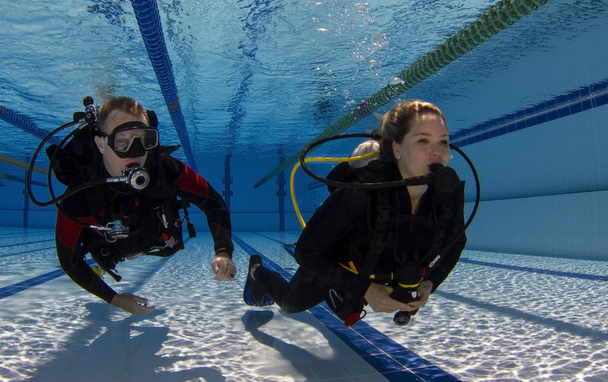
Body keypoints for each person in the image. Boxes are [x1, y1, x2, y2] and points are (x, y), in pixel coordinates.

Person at [243, 100, 466, 326]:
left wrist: (431, 282)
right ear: (397, 148)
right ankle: (256, 272)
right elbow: (307, 251)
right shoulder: (366, 189)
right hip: (339, 260)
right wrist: (365, 290)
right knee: (292, 303)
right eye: (423, 140)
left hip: (379, 265)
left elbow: (457, 241)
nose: (438, 152)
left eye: (444, 142)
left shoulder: (447, 194)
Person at [55, 96, 236, 315]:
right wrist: (114, 299)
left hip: (159, 240)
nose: (136, 152)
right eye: (122, 142)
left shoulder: (164, 169)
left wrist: (223, 252)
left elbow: (213, 202)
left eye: (144, 139)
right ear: (101, 144)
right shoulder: (80, 195)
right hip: (111, 250)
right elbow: (69, 261)